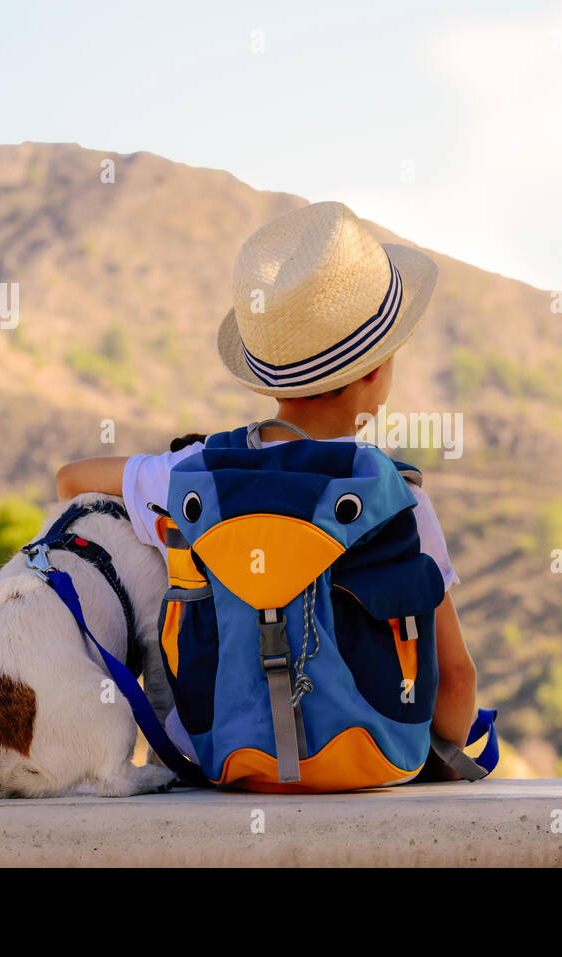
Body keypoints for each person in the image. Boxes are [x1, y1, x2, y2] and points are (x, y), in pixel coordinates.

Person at [55, 201, 478, 775]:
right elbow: (455, 680)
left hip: (216, 762)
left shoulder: (191, 473)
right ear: (376, 371)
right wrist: (437, 748)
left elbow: (70, 480)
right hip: (375, 763)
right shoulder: (400, 499)